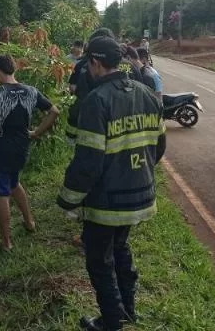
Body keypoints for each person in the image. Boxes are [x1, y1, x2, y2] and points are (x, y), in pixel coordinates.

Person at [57, 36, 166, 331]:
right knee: (120, 247)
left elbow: (88, 162)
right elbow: (159, 147)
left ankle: (112, 322)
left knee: (99, 260)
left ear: (94, 62)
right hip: (139, 195)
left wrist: (67, 199)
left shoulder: (97, 101)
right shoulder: (146, 93)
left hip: (106, 202)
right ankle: (128, 310)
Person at [0, 55, 60, 252]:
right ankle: (29, 222)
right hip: (22, 147)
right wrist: (36, 132)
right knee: (14, 183)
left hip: (1, 148)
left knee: (2, 194)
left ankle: (6, 243)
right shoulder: (31, 91)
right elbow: (54, 111)